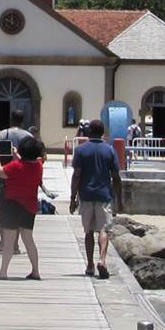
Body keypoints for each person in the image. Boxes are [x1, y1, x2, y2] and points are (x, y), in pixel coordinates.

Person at [0, 135, 49, 280]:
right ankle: (35, 271)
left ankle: (3, 271)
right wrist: (17, 154)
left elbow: (0, 171)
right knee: (28, 239)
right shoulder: (38, 166)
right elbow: (27, 163)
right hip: (29, 206)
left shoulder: (15, 166)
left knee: (9, 240)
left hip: (11, 204)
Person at [70, 119, 122, 280]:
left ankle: (90, 265)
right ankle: (102, 260)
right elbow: (116, 177)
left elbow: (77, 175)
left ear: (88, 131)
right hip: (104, 195)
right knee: (103, 230)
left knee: (88, 232)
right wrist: (119, 198)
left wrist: (73, 198)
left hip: (85, 195)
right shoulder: (110, 150)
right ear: (103, 132)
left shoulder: (80, 150)